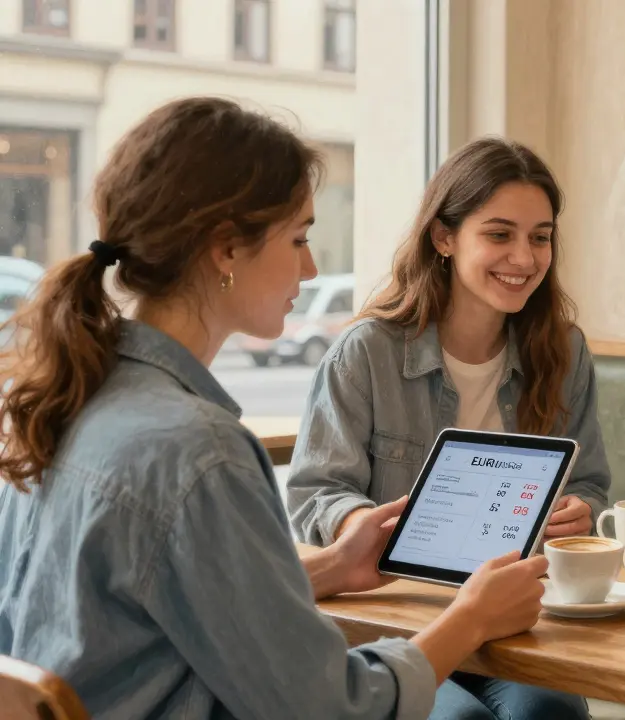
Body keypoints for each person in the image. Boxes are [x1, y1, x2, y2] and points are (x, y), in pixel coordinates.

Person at [0, 98, 552, 720]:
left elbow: (159, 606)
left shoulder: (68, 401)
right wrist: (470, 617)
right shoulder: (200, 451)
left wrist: (333, 565)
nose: (311, 266)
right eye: (299, 238)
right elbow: (329, 708)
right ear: (225, 250)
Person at [286, 136, 607, 720]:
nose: (525, 257)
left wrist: (577, 511)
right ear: (443, 237)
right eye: (499, 234)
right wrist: (373, 529)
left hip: (513, 614)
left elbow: (589, 484)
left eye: (540, 237)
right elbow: (314, 494)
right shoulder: (367, 352)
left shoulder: (564, 352)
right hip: (394, 619)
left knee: (549, 714)